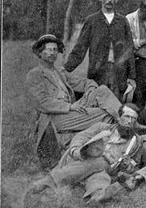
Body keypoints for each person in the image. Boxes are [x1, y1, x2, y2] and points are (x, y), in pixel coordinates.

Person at [27, 34, 122, 168]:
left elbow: (82, 82)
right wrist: (70, 107)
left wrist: (90, 88)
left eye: (55, 50)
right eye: (48, 50)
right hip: (55, 117)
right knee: (106, 114)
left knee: (102, 90)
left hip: (72, 111)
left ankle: (124, 120)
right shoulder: (35, 74)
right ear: (40, 53)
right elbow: (43, 103)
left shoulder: (59, 72)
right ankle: (124, 131)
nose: (52, 53)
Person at [28, 104, 144, 204]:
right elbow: (81, 137)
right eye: (127, 116)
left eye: (134, 119)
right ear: (118, 118)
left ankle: (97, 195)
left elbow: (135, 166)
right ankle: (97, 194)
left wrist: (127, 165)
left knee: (101, 174)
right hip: (82, 160)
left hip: (107, 169)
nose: (130, 121)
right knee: (100, 162)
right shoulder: (101, 127)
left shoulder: (136, 142)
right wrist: (75, 150)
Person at [64, 0, 136, 100]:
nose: (109, 0)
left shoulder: (122, 21)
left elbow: (129, 50)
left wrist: (132, 76)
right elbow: (80, 48)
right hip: (97, 73)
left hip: (118, 74)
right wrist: (66, 68)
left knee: (116, 106)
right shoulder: (92, 21)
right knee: (97, 104)